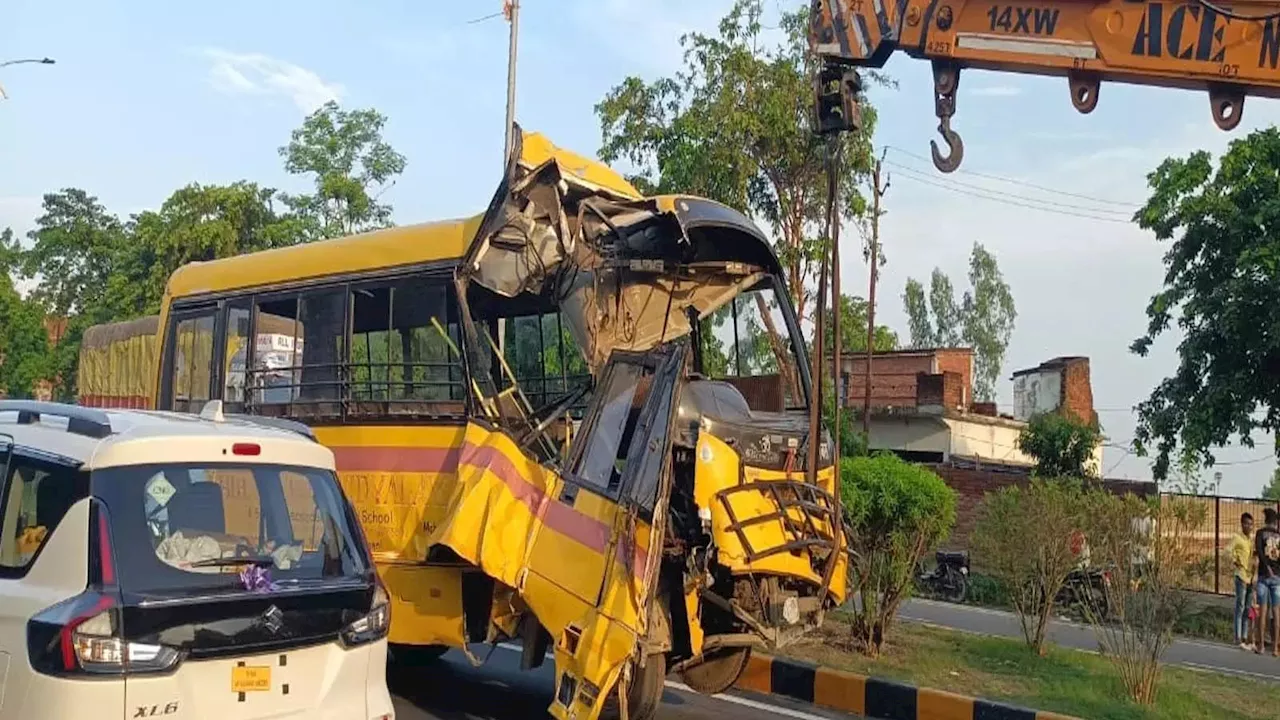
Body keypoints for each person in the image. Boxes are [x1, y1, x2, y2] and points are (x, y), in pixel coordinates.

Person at [1253, 508, 1280, 655]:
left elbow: (1259, 552)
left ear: (1265, 520)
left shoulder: (1260, 533)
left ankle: (1261, 645)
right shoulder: (1278, 535)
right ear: (1275, 521)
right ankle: (1276, 648)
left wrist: (1267, 568)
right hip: (1277, 577)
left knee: (1262, 612)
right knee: (1277, 612)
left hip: (1264, 575)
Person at [1229, 512, 1255, 649]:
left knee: (1247, 608)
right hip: (1241, 575)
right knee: (1239, 606)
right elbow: (1228, 550)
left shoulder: (1251, 540)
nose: (1248, 526)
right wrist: (1235, 560)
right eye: (1246, 523)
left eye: (1250, 524)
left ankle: (1244, 636)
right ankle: (1237, 637)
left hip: (1250, 577)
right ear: (1242, 524)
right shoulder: (1237, 538)